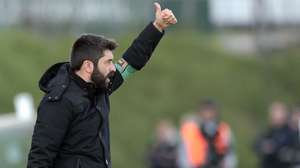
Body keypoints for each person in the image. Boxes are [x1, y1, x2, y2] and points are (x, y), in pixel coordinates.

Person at [27, 3, 177, 168]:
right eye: (108, 62)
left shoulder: (100, 87)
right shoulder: (58, 102)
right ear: (88, 66)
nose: (113, 68)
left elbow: (131, 61)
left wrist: (157, 27)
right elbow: (39, 159)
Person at [179, 100, 236, 168]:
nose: (208, 113)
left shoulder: (223, 129)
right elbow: (183, 152)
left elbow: (230, 153)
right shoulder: (190, 128)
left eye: (210, 110)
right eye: (205, 110)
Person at [254, 101, 292, 168]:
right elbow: (255, 144)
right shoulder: (268, 130)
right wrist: (263, 146)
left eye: (276, 114)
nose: (273, 116)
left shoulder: (290, 132)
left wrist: (274, 147)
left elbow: (290, 150)